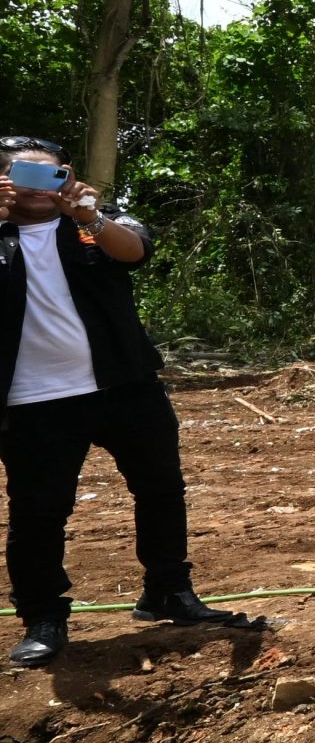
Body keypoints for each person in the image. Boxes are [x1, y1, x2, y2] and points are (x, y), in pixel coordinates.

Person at [1, 136, 257, 668]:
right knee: (39, 512)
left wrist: (88, 216)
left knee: (161, 488)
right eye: (26, 174)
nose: (43, 185)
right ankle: (43, 615)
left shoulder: (95, 222)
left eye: (54, 174)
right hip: (33, 400)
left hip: (126, 386)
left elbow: (135, 251)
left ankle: (167, 590)